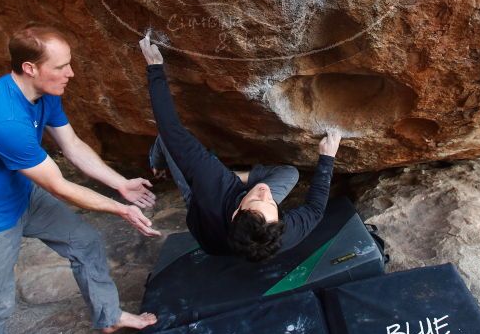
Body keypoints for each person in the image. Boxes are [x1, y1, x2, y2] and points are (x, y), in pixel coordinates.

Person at [0, 25, 160, 334]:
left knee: (84, 241)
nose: (70, 73)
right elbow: (59, 186)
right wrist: (122, 210)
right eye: (61, 67)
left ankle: (109, 316)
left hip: (21, 195)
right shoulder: (3, 119)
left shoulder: (43, 93)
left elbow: (72, 145)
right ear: (30, 68)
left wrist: (121, 183)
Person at [139, 35, 341, 261]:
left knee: (169, 143)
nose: (265, 192)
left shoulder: (213, 186)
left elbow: (171, 130)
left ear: (237, 212)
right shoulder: (279, 233)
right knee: (289, 174)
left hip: (201, 203)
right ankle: (239, 177)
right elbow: (314, 210)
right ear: (278, 222)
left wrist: (155, 69)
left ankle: (156, 163)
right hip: (228, 222)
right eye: (272, 204)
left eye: (257, 200)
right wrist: (327, 158)